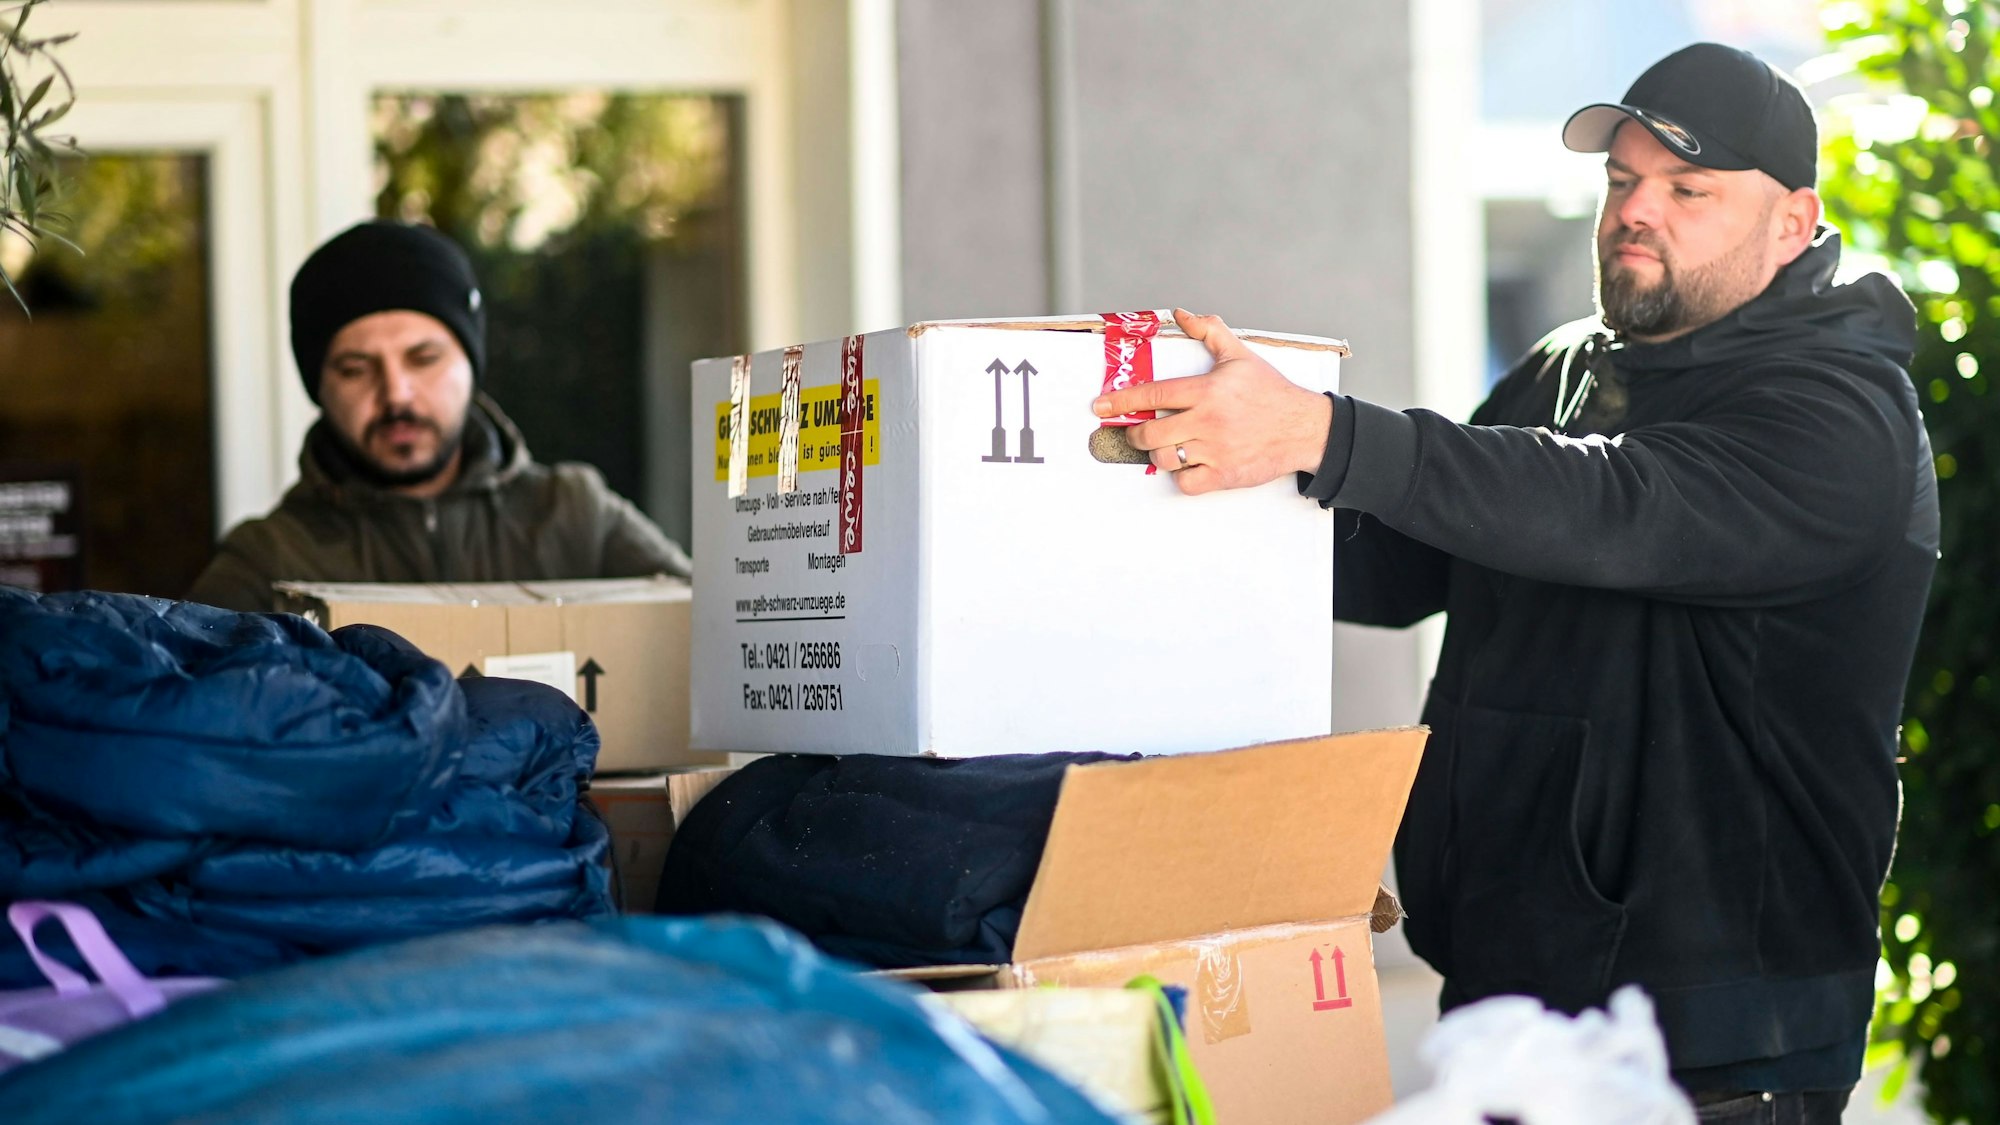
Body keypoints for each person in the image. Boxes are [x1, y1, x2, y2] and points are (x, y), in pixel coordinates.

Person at [1096, 44, 1935, 1120]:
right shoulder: (1568, 367)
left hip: (1717, 1043)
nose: (1639, 212)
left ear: (1789, 222)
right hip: (1515, 999)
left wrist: (1318, 429)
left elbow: (1613, 508)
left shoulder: (1840, 413)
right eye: (1621, 182)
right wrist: (1162, 501)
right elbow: (1402, 559)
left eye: (1689, 191)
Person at [189, 221, 691, 612]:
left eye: (423, 359)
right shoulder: (269, 559)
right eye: (355, 369)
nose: (396, 394)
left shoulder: (574, 515)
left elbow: (719, 630)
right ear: (318, 386)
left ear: (471, 366)